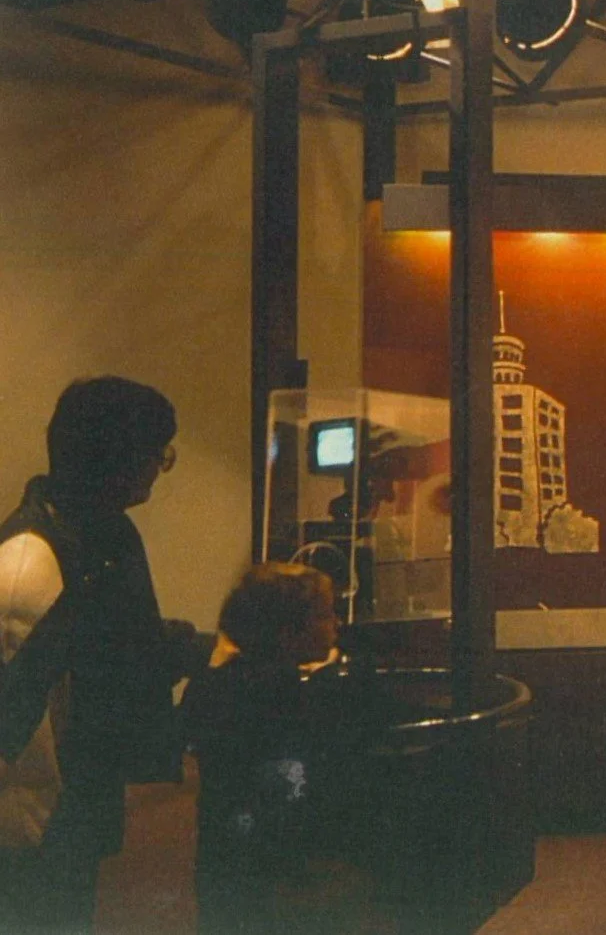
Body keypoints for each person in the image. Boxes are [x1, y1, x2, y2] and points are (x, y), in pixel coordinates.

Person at [0, 376, 210, 931]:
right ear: (116, 454)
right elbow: (17, 727)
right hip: (37, 819)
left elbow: (113, 649)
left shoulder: (99, 532)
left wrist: (194, 648)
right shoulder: (31, 560)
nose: (158, 468)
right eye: (156, 453)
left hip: (74, 801)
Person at [182, 562, 364, 935]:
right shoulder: (281, 689)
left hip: (222, 843)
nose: (336, 624)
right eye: (325, 614)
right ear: (287, 631)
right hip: (269, 849)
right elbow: (294, 776)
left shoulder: (219, 679)